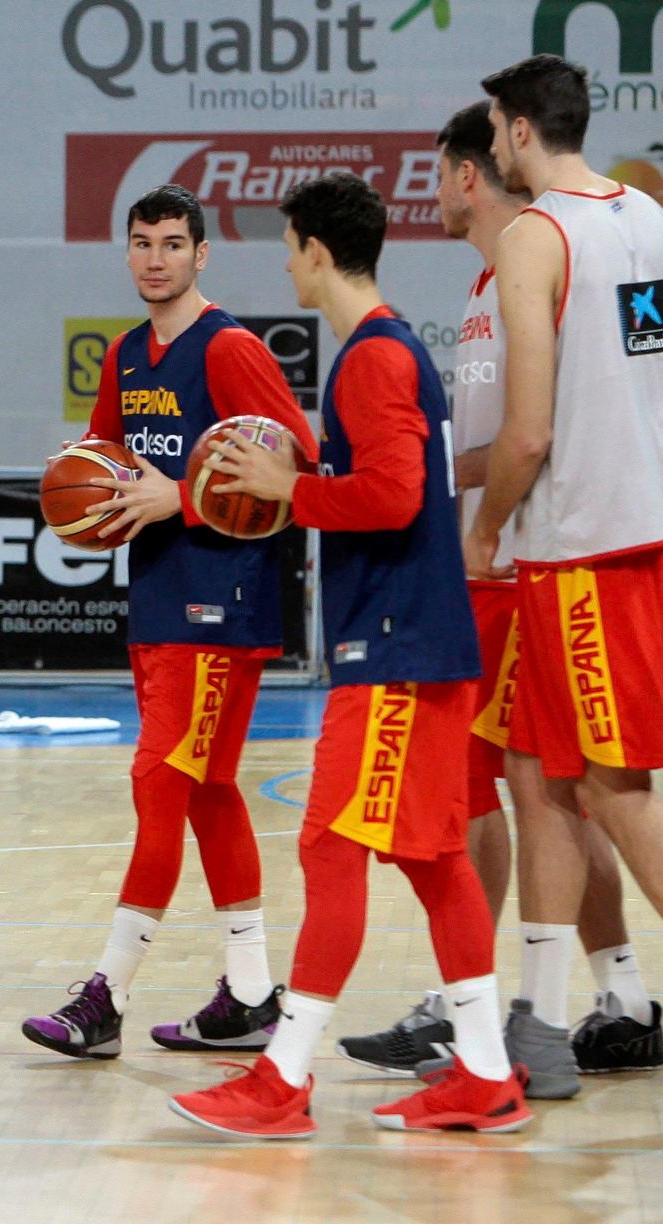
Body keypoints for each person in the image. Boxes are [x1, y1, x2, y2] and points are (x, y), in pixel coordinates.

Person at [171, 172, 528, 1138]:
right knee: (436, 860)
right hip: (424, 643)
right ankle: (487, 1071)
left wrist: (294, 489)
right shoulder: (389, 350)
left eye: (289, 248)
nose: (285, 264)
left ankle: (282, 1079)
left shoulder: (372, 358)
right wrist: (306, 475)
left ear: (318, 253)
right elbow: (383, 481)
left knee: (333, 846)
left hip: (397, 652)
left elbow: (396, 496)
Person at [338, 100, 657, 1084]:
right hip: (543, 555)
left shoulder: (547, 244)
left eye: (438, 173)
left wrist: (451, 498)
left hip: (545, 564)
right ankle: (597, 1000)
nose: (430, 192)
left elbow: (530, 433)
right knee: (547, 783)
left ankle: (479, 1001)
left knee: (571, 786)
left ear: (487, 162)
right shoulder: (502, 273)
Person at [20, 184, 311, 1059]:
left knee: (159, 786)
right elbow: (105, 462)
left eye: (173, 243)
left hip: (220, 601)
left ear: (201, 255)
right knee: (211, 794)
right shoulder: (125, 356)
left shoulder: (229, 348)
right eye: (142, 243)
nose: (156, 258)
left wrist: (180, 495)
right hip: (158, 593)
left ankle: (104, 996)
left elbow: (296, 457)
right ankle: (253, 994)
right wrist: (77, 489)